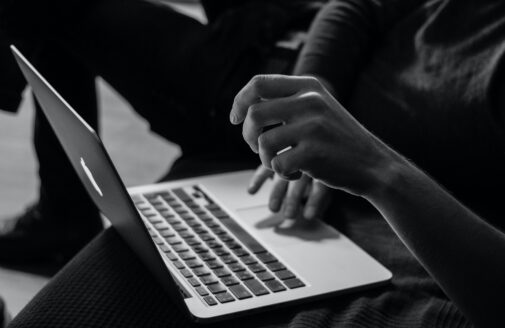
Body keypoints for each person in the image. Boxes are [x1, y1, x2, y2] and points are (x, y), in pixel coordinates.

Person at [0, 0, 329, 264]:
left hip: (264, 66)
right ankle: (63, 217)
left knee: (52, 8)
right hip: (273, 28)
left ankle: (64, 218)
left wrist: (316, 109)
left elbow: (353, 10)